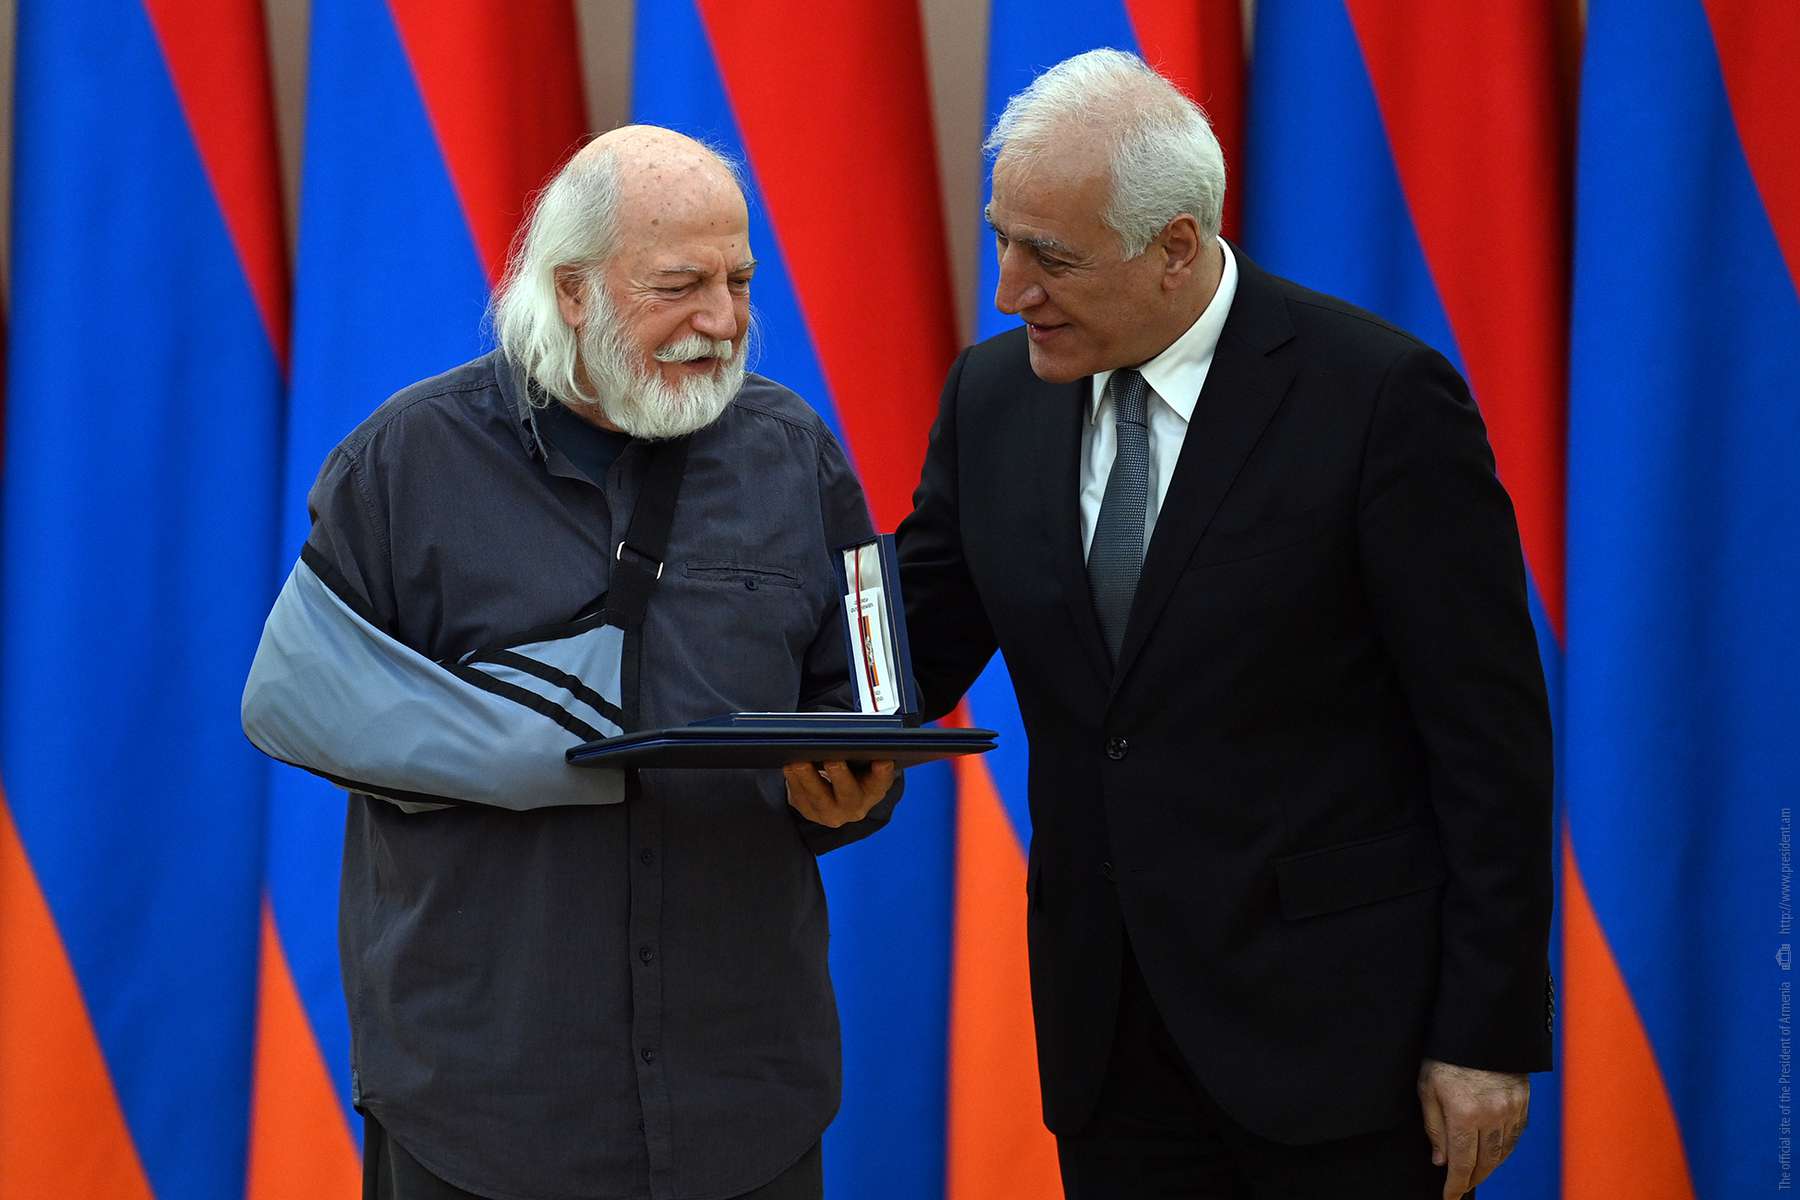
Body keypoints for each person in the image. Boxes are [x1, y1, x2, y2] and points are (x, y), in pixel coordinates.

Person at [897, 50, 1553, 1200]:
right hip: (1111, 1045)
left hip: (1342, 1048)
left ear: (1177, 247)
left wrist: (1485, 1031)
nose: (1008, 291)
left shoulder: (1379, 400)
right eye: (1002, 240)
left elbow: (1488, 742)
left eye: (1050, 257)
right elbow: (913, 641)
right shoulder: (993, 397)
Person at [242, 125, 896, 1200]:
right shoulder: (404, 464)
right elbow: (300, 700)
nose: (725, 321)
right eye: (680, 286)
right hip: (481, 1110)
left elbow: (866, 704)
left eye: (739, 282)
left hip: (743, 1104)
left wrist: (854, 789)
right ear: (573, 291)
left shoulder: (798, 456)